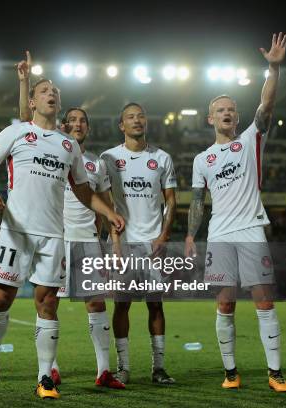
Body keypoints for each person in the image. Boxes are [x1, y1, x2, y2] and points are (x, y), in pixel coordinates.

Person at [0, 53, 125, 399]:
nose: (51, 94)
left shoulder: (69, 146)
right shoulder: (16, 132)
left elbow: (84, 192)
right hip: (17, 230)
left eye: (55, 91)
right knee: (2, 296)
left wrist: (108, 211)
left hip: (54, 235)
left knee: (48, 303)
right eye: (44, 90)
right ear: (32, 101)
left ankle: (44, 378)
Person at [185, 33, 286, 392]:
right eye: (221, 109)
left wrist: (273, 69)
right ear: (209, 118)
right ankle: (230, 372)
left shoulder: (250, 139)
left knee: (264, 299)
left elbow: (266, 105)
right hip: (219, 235)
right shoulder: (202, 160)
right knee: (225, 303)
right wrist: (190, 235)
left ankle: (275, 372)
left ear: (237, 115)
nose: (227, 112)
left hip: (251, 231)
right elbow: (198, 202)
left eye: (231, 108)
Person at [17, 51, 124, 390]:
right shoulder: (50, 148)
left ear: (88, 128)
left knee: (95, 302)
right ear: (64, 124)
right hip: (53, 236)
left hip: (87, 240)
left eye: (83, 121)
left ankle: (104, 371)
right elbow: (25, 122)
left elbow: (107, 208)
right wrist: (24, 83)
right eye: (72, 120)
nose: (77, 124)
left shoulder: (97, 164)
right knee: (48, 301)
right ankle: (47, 371)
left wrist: (116, 248)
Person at [101, 102, 178, 385]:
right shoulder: (108, 158)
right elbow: (105, 204)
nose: (137, 120)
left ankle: (158, 368)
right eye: (130, 117)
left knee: (156, 305)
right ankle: (123, 368)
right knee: (122, 305)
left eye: (141, 116)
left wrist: (164, 235)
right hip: (123, 244)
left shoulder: (162, 158)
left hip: (153, 243)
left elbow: (171, 200)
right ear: (121, 125)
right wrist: (112, 243)